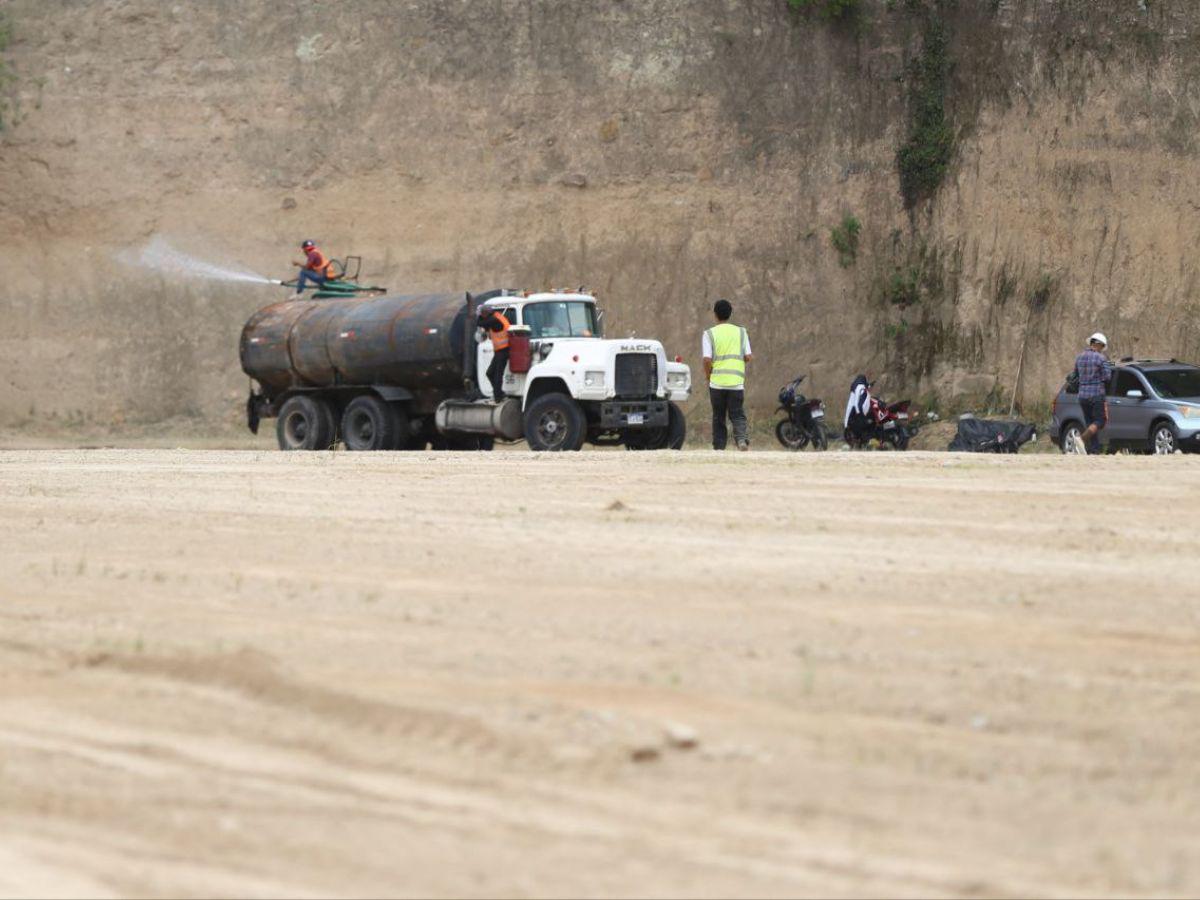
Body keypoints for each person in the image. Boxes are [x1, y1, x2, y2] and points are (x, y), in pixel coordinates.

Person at [702, 298, 752, 451]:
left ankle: (719, 447)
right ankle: (741, 440)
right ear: (730, 314)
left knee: (719, 416)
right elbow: (748, 356)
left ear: (715, 315)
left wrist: (708, 375)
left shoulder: (709, 334)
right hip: (736, 382)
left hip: (716, 383)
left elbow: (706, 359)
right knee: (737, 414)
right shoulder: (741, 332)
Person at [1073, 331, 1113, 454]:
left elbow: (1075, 375)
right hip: (1096, 394)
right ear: (1099, 345)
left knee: (1090, 423)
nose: (1102, 350)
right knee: (1100, 421)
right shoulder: (1101, 358)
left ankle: (1093, 450)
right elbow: (1107, 377)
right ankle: (1082, 439)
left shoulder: (1079, 357)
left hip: (1082, 395)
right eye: (1102, 347)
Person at [478, 306, 511, 399]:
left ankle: (498, 396)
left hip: (504, 350)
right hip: (499, 350)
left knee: (497, 374)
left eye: (482, 313)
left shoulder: (494, 320)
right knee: (490, 373)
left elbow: (480, 323)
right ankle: (499, 393)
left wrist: (479, 317)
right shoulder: (495, 317)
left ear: (485, 314)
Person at [844, 373, 873, 445]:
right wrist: (858, 412)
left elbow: (866, 387)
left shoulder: (858, 386)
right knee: (860, 425)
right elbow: (857, 400)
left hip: (854, 410)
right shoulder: (860, 387)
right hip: (856, 410)